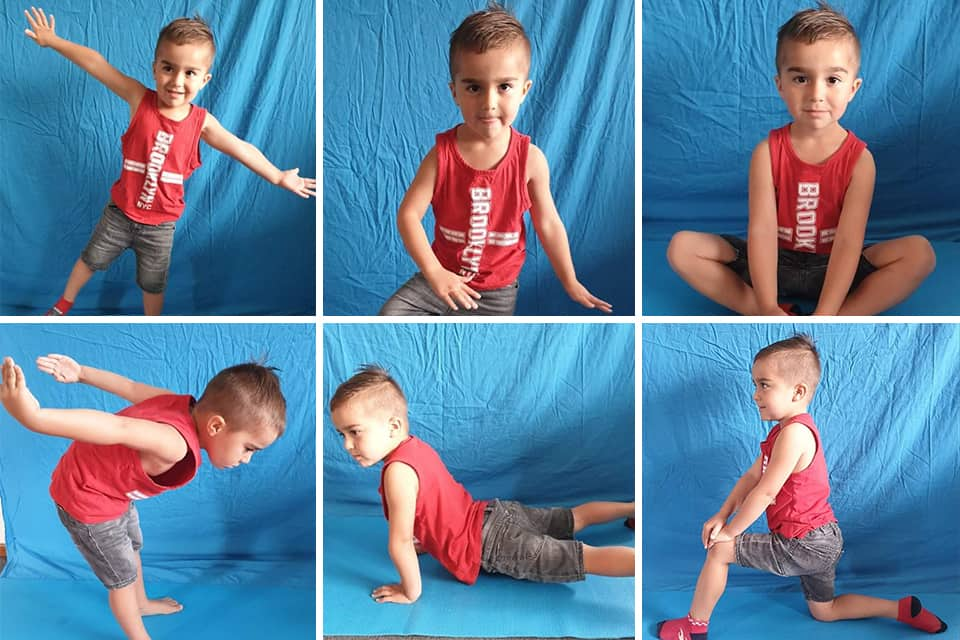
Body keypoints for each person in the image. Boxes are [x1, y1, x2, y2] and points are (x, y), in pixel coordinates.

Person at [22, 7, 316, 316]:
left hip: (160, 226)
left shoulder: (202, 123)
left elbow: (240, 148)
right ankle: (62, 304)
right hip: (120, 214)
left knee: (153, 283)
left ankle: (152, 321)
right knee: (89, 259)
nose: (177, 80)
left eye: (190, 73)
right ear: (154, 68)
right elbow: (98, 63)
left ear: (205, 79)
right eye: (168, 68)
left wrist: (277, 176)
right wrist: (54, 41)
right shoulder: (139, 99)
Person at [656, 335, 947, 639]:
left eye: (764, 385)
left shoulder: (794, 435)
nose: (755, 395)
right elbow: (751, 478)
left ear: (798, 392)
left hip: (803, 543)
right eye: (755, 385)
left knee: (719, 551)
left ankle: (693, 628)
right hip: (824, 538)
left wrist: (729, 533)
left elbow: (766, 493)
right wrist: (722, 514)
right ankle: (900, 610)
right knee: (825, 611)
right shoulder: (781, 435)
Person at [666, 2, 935, 316]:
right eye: (801, 79)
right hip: (771, 264)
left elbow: (849, 242)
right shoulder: (766, 153)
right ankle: (765, 310)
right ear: (780, 84)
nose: (816, 94)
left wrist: (826, 314)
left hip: (833, 267)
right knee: (682, 247)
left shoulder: (861, 161)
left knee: (920, 253)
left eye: (832, 80)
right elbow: (762, 232)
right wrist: (766, 304)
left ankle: (840, 319)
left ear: (853, 88)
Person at [0, 353, 286, 640]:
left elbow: (131, 387)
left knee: (133, 544)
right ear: (215, 426)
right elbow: (116, 428)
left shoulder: (180, 403)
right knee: (121, 576)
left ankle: (142, 603)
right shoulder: (172, 444)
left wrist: (82, 371)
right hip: (87, 498)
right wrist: (34, 418)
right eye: (249, 448)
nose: (247, 459)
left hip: (112, 491)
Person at [379, 2, 611, 316]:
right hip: (438, 280)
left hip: (496, 293)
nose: (489, 103)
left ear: (524, 90)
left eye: (504, 87)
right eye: (473, 87)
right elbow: (408, 215)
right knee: (391, 316)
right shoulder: (441, 155)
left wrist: (569, 281)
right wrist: (435, 273)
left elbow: (548, 223)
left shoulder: (530, 160)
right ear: (454, 92)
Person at [329, 365, 633, 603]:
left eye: (355, 432)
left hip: (491, 543)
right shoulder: (414, 446)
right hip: (495, 514)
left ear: (393, 425)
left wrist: (410, 591)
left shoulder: (396, 472)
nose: (347, 445)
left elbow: (400, 543)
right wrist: (431, 540)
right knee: (576, 517)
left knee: (584, 556)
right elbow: (434, 504)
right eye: (342, 434)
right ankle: (635, 508)